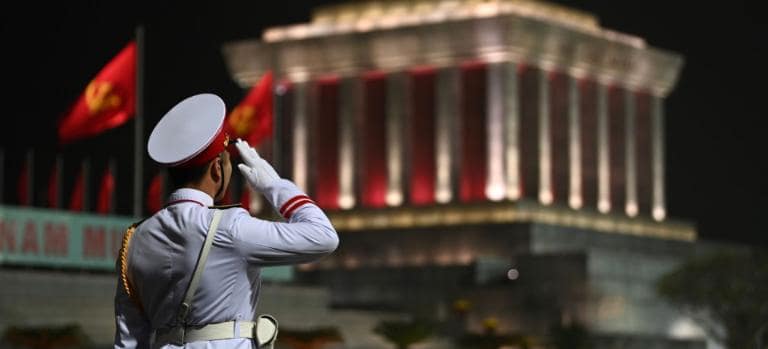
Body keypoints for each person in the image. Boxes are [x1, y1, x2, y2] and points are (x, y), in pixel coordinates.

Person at [114, 93, 338, 349]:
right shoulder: (229, 226)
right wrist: (276, 186)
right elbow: (323, 236)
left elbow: (128, 338)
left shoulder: (135, 239)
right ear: (217, 169)